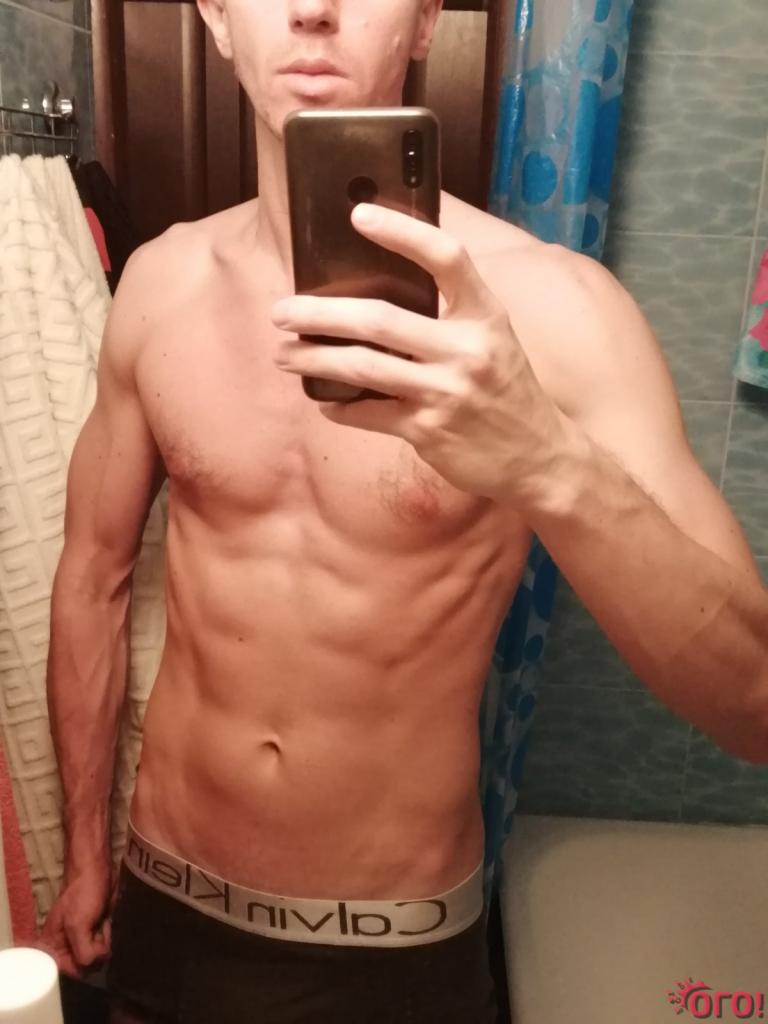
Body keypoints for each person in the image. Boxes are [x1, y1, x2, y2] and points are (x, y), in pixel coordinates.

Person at [38, 0, 768, 1021]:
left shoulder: (557, 310)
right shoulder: (160, 286)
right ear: (216, 16)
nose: (313, 9)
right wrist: (84, 854)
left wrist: (545, 458)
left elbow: (752, 703)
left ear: (426, 21)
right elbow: (92, 575)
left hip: (395, 951)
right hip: (168, 910)